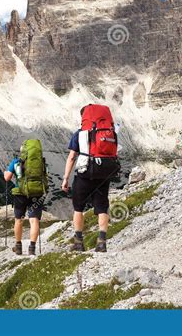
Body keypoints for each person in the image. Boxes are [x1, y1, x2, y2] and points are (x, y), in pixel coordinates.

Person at [62, 104, 119, 253]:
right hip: (103, 173)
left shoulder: (80, 133)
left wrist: (66, 178)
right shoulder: (110, 132)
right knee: (102, 206)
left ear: (84, 117)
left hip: (85, 173)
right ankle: (101, 242)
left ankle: (78, 242)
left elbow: (72, 156)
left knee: (78, 207)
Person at [4, 140, 46, 256]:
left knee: (19, 220)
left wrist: (5, 172)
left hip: (20, 194)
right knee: (34, 220)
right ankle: (32, 248)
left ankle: (18, 247)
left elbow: (7, 178)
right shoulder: (40, 162)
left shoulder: (17, 161)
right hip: (37, 194)